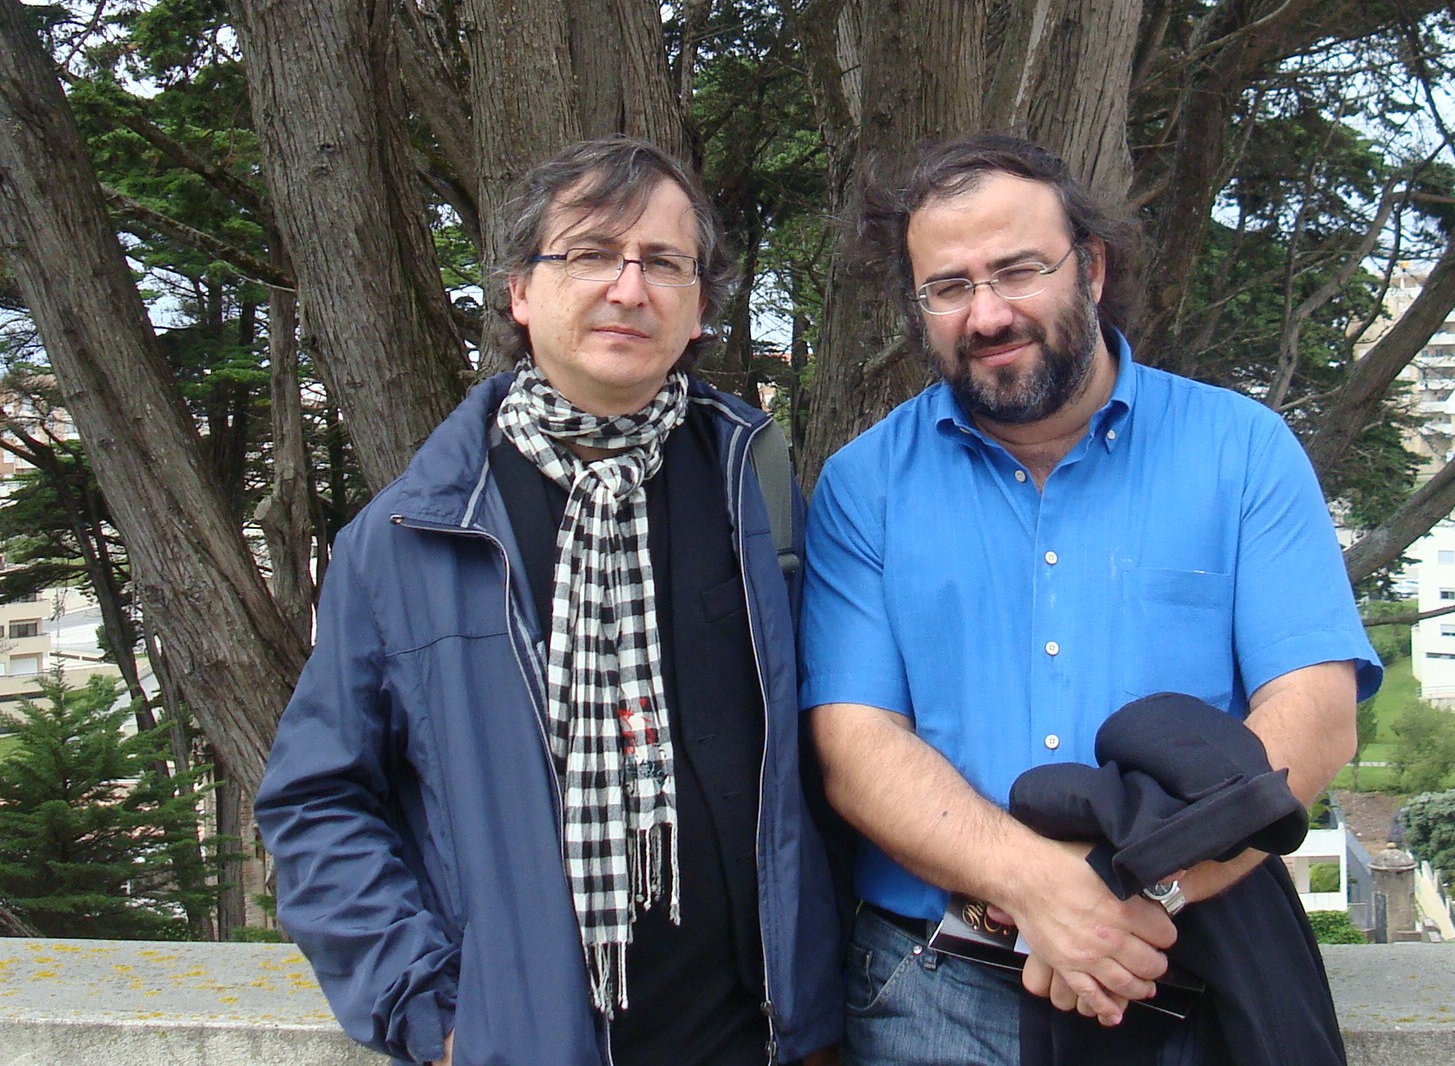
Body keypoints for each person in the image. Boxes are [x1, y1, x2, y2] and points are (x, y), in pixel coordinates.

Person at [256, 137, 841, 1066]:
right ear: (521, 292)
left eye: (663, 262)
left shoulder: (758, 490)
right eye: (589, 254)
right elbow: (316, 799)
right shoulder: (415, 535)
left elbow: (821, 761)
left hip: (755, 1042)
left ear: (698, 310)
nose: (628, 285)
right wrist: (429, 1012)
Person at [799, 134, 1381, 1064]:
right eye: (947, 287)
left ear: (1093, 267)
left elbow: (1314, 715)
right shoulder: (862, 484)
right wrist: (1038, 887)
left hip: (1187, 977)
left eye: (1018, 270)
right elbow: (856, 744)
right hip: (931, 995)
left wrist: (1140, 892)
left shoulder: (1244, 452)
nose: (987, 313)